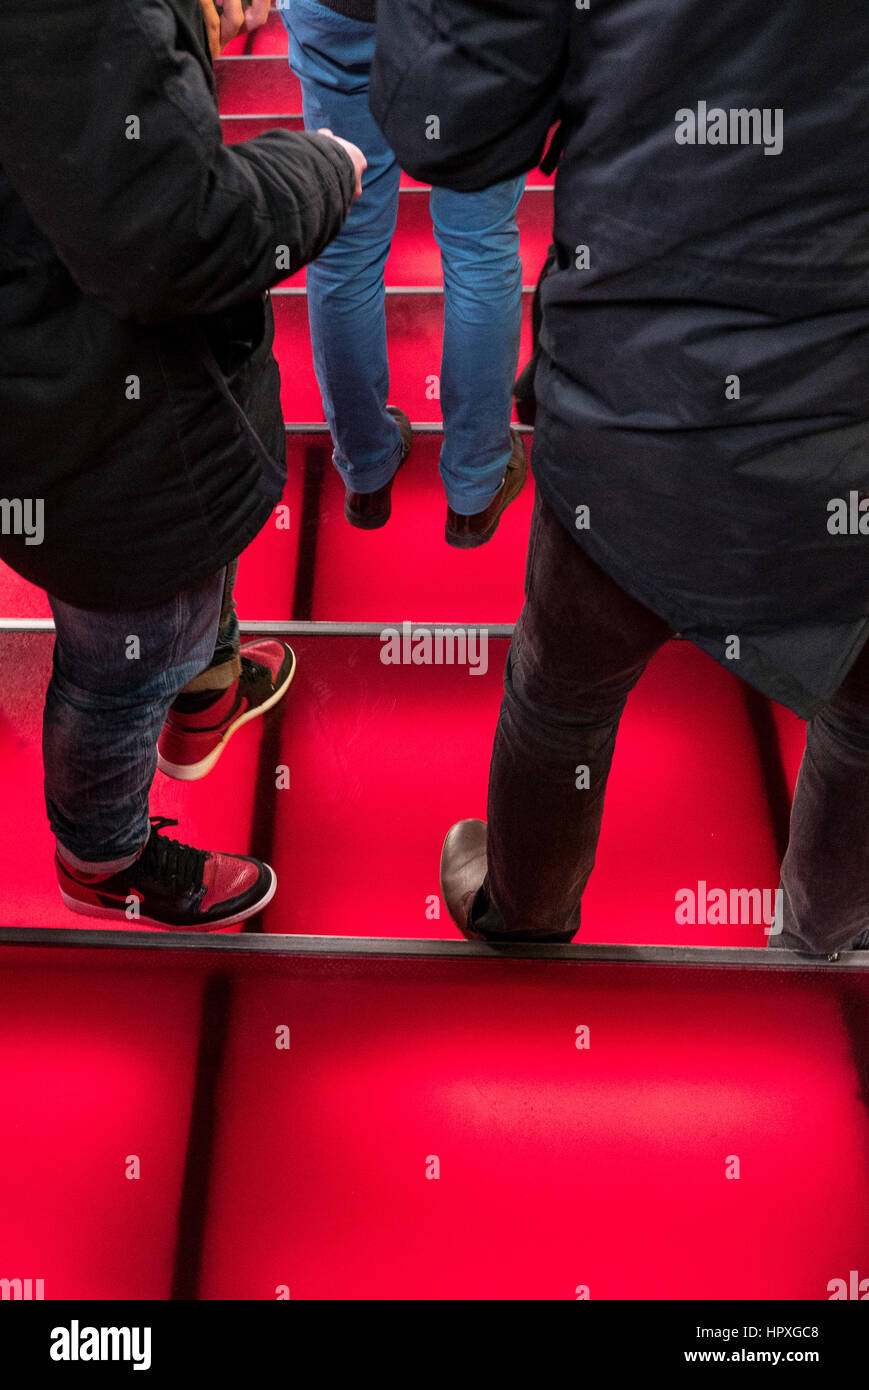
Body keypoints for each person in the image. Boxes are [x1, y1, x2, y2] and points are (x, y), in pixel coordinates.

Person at [370, 0, 869, 953]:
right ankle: (822, 952)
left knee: (564, 690)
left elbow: (450, 119)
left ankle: (526, 913)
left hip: (635, 394)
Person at [0, 0, 365, 930]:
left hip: (92, 389)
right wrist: (320, 167)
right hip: (100, 404)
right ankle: (104, 855)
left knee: (173, 586)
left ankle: (202, 689)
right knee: (120, 658)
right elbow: (176, 234)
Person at [281, 0, 527, 546]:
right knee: (479, 248)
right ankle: (474, 486)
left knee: (344, 248)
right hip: (478, 24)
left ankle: (366, 469)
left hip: (341, 12)